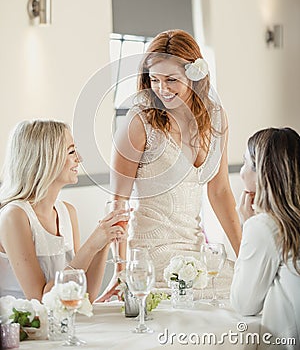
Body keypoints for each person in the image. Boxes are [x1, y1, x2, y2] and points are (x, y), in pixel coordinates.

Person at [99, 29, 242, 300]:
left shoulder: (216, 117)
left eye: (171, 79)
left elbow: (220, 192)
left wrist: (246, 258)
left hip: (196, 254)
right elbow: (118, 202)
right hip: (151, 256)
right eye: (154, 79)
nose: (161, 88)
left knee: (243, 291)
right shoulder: (139, 122)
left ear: (195, 76)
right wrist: (121, 272)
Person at [0, 119, 128, 303]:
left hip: (61, 326)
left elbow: (84, 296)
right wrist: (91, 244)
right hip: (23, 329)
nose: (79, 158)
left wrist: (104, 242)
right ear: (46, 157)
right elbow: (40, 300)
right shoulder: (14, 216)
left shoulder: (67, 212)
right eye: (71, 151)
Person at [231, 127, 300, 348]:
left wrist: (247, 225)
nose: (241, 173)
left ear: (263, 172)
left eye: (245, 163)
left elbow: (244, 303)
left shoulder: (265, 226)